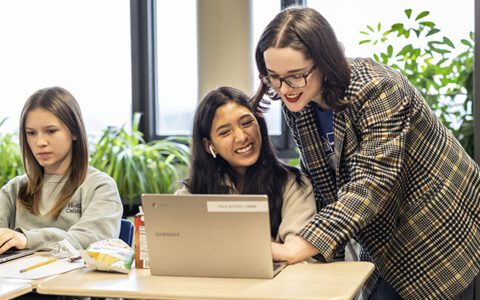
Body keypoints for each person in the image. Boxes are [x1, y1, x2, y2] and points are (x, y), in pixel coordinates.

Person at [251, 6, 480, 300]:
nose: (284, 89)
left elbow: (372, 183)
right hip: (382, 236)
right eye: (274, 77)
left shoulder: (378, 88)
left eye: (295, 75)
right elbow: (322, 181)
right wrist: (311, 254)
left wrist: (300, 244)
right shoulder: (299, 99)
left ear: (324, 62)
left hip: (439, 230)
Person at [176, 86, 316, 243]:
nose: (241, 137)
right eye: (225, 132)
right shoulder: (190, 195)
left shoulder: (293, 185)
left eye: (247, 123)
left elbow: (297, 253)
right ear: (209, 146)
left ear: (259, 124)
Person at [0, 86, 123, 253]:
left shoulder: (100, 186)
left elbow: (94, 240)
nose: (40, 142)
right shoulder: (13, 190)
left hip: (77, 279)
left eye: (51, 131)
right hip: (19, 278)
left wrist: (27, 239)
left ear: (74, 132)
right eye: (31, 133)